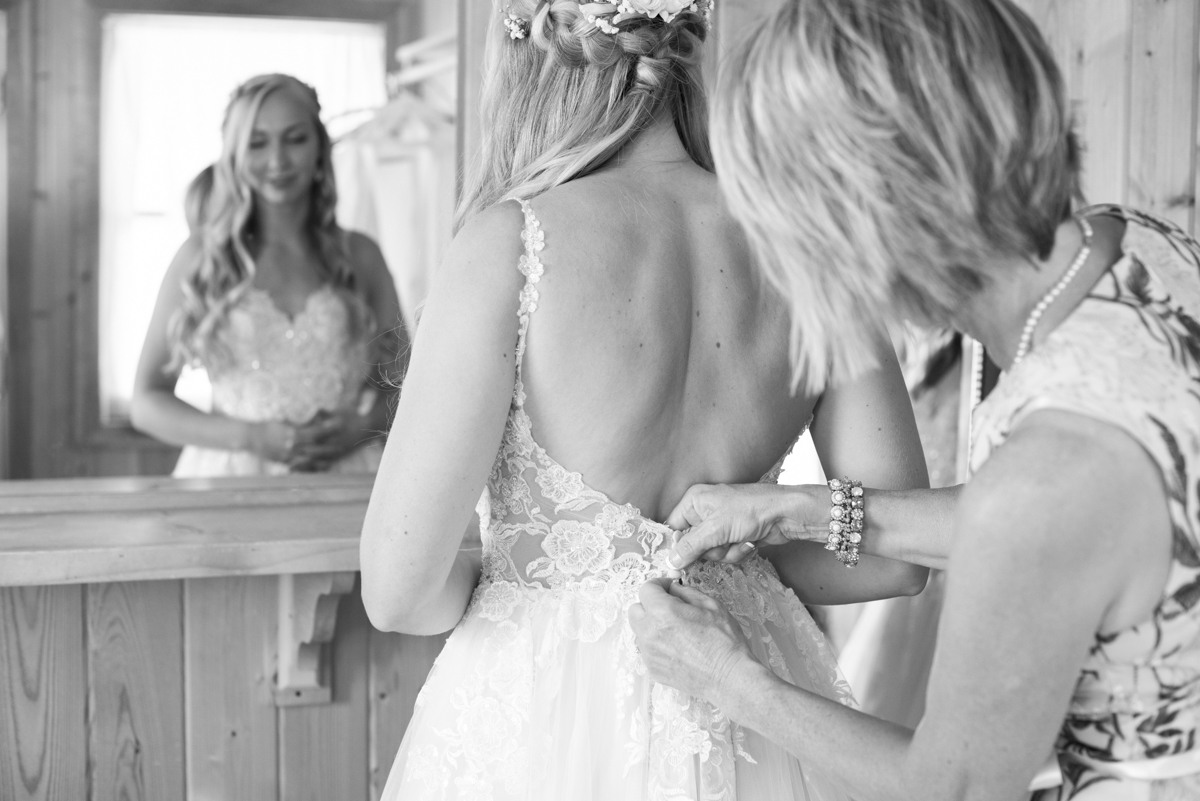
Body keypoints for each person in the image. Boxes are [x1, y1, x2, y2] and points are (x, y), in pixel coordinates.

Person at [629, 1, 1200, 799]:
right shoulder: (1138, 251)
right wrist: (794, 507)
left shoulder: (1048, 476)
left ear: (864, 214)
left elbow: (955, 784)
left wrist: (730, 679)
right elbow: (1071, 532)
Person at [359, 0, 930, 797]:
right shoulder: (814, 246)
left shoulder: (507, 243)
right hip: (749, 695)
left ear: (530, 55)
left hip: (543, 708)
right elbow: (898, 557)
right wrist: (735, 569)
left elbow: (397, 592)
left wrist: (539, 577)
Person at [131, 74, 404, 477]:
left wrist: (356, 430)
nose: (278, 161)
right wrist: (251, 437)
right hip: (229, 475)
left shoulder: (361, 255)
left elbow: (405, 385)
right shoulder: (201, 259)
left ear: (318, 148)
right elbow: (146, 402)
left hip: (346, 473)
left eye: (295, 139)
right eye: (258, 143)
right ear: (235, 154)